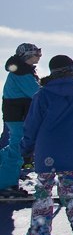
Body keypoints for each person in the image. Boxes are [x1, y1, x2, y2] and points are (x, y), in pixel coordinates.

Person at [16, 55, 73, 235]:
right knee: (70, 192)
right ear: (72, 70)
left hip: (48, 153)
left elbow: (32, 125)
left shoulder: (43, 95)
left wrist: (26, 150)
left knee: (44, 193)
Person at [0, 43, 42, 198]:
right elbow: (37, 93)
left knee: (15, 145)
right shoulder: (22, 73)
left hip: (17, 115)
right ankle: (6, 186)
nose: (38, 56)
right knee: (17, 148)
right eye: (36, 53)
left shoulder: (23, 70)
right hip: (18, 115)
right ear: (27, 55)